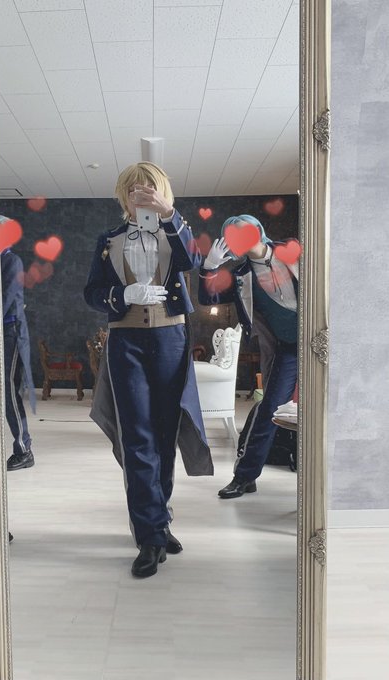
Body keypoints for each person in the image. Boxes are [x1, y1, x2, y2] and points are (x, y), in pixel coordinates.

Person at [84, 162, 213, 579]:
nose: (140, 196)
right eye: (133, 190)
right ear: (123, 196)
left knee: (165, 434)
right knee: (137, 437)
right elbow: (91, 293)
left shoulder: (175, 231)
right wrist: (123, 294)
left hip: (171, 339)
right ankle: (150, 535)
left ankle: (159, 519)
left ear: (161, 193)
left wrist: (167, 214)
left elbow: (193, 260)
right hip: (126, 343)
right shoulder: (109, 240)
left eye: (149, 190)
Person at [199, 215, 298, 499]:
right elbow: (208, 299)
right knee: (269, 410)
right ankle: (245, 477)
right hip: (287, 348)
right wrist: (210, 267)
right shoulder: (240, 276)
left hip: (326, 340)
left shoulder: (293, 249)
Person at [0, 215, 36, 472]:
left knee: (9, 390)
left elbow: (4, 299)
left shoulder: (12, 261)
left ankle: (24, 450)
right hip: (0, 331)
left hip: (11, 331)